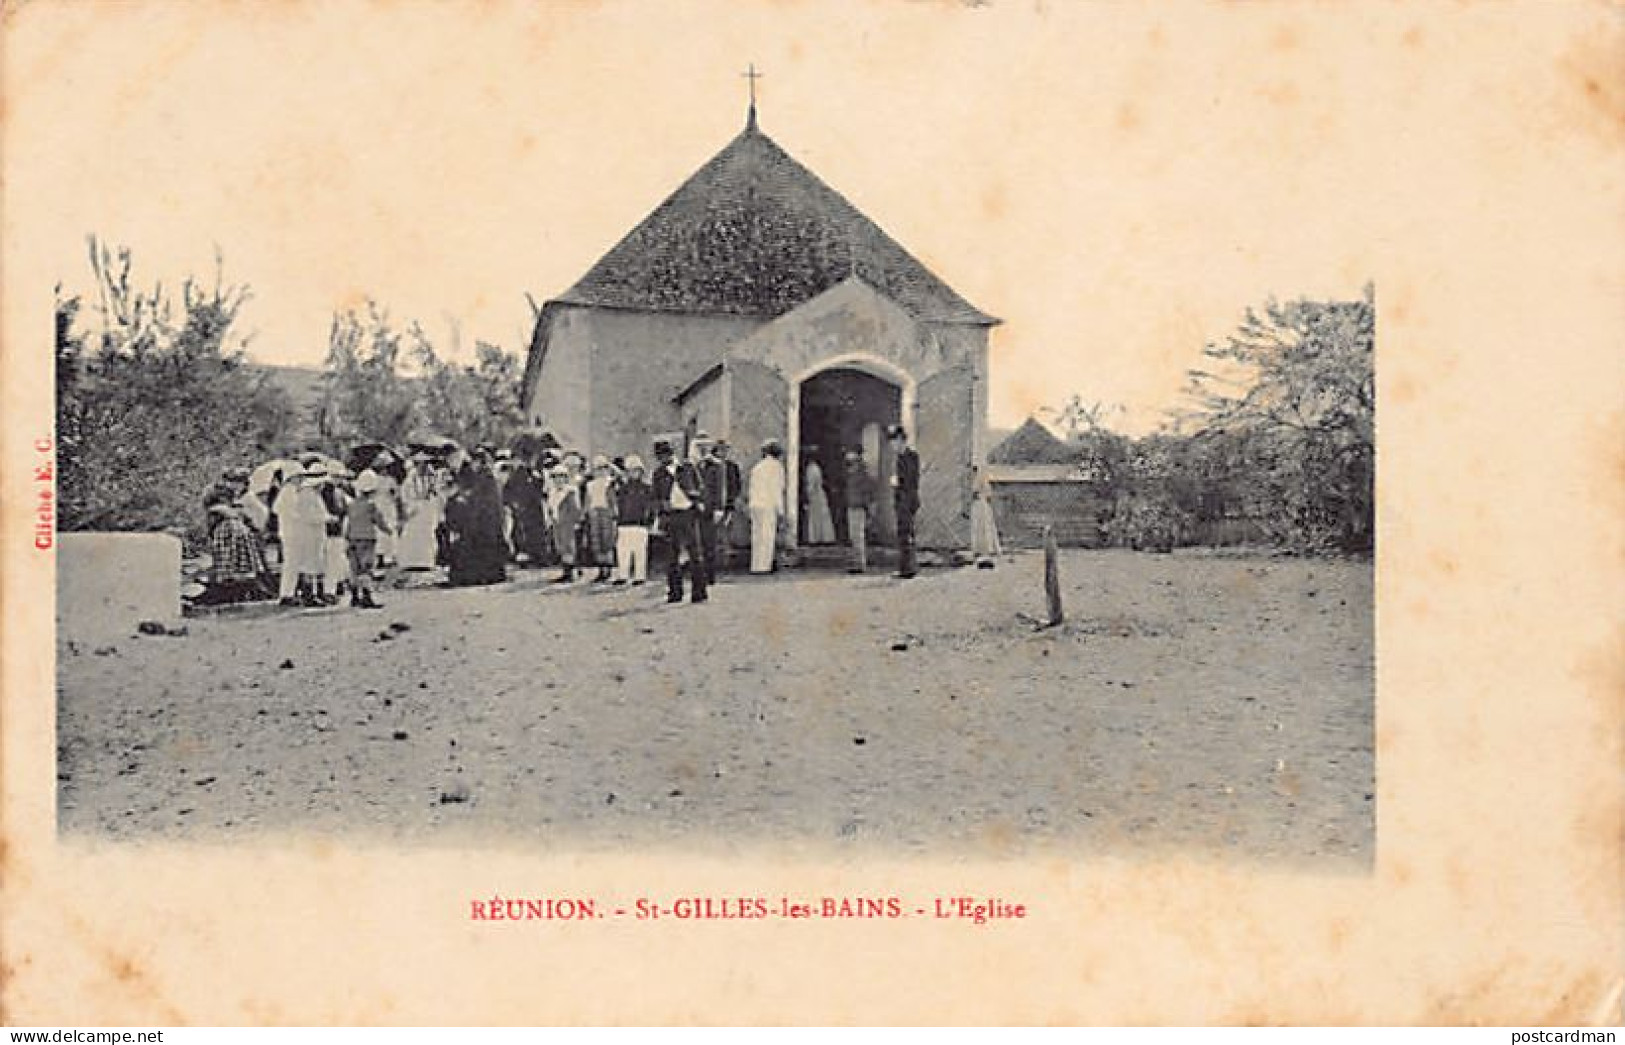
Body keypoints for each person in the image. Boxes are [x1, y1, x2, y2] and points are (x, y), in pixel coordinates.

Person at [651, 439, 707, 604]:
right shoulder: (658, 473)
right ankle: (675, 592)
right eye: (660, 456)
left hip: (688, 513)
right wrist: (662, 506)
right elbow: (655, 496)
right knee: (671, 555)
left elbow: (700, 486)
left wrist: (695, 498)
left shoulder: (687, 467)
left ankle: (699, 592)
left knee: (695, 553)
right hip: (670, 515)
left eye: (666, 455)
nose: (663, 458)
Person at [274, 460, 333, 606]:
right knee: (296, 564)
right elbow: (297, 514)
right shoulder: (289, 491)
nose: (301, 479)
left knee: (297, 564)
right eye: (298, 476)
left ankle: (292, 593)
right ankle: (290, 595)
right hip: (293, 533)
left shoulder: (294, 491)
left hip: (294, 532)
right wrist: (324, 518)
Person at [443, 459, 508, 587]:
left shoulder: (486, 478)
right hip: (474, 519)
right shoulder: (468, 474)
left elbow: (485, 498)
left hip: (483, 519)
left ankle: (485, 575)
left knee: (482, 547)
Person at [204, 499, 270, 604]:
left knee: (230, 564)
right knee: (243, 567)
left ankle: (229, 589)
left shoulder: (220, 523)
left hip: (230, 540)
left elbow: (224, 553)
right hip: (241, 538)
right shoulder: (234, 518)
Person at [345, 471, 395, 608]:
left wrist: (347, 537)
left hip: (353, 538)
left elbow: (348, 522)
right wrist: (388, 530)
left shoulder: (351, 504)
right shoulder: (371, 505)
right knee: (366, 568)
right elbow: (379, 521)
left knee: (354, 568)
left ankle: (354, 596)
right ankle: (367, 597)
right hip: (367, 538)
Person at [704, 439, 745, 574]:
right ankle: (712, 564)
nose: (723, 452)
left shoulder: (732, 467)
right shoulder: (709, 467)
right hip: (712, 506)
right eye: (720, 450)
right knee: (712, 535)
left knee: (727, 533)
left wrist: (733, 499)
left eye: (726, 450)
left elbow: (736, 484)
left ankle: (725, 563)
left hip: (728, 504)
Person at [614, 455, 656, 586]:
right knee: (623, 550)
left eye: (636, 470)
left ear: (641, 472)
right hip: (624, 523)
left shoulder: (647, 488)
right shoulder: (622, 489)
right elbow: (619, 505)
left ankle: (639, 575)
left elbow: (651, 506)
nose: (633, 473)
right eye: (630, 471)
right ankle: (623, 574)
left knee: (640, 551)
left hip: (640, 524)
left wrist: (650, 520)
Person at [398, 454, 444, 572]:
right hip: (414, 509)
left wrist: (432, 492)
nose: (423, 467)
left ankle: (426, 561)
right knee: (412, 534)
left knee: (427, 534)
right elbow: (405, 495)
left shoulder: (431, 478)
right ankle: (410, 562)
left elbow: (437, 494)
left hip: (427, 509)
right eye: (421, 464)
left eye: (425, 464)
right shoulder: (409, 480)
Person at [747, 439, 786, 574]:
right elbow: (777, 489)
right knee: (767, 536)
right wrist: (780, 510)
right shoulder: (777, 467)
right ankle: (764, 566)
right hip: (768, 504)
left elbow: (752, 488)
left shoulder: (757, 467)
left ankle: (755, 565)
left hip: (755, 504)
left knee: (756, 535)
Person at [503, 455, 550, 566]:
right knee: (522, 532)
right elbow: (508, 492)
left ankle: (536, 555)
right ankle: (529, 555)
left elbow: (538, 490)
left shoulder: (530, 475)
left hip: (531, 508)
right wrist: (512, 503)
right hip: (523, 508)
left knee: (532, 532)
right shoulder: (514, 477)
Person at [888, 424, 920, 578]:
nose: (892, 445)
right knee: (903, 534)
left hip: (907, 500)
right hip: (901, 500)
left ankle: (908, 568)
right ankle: (905, 567)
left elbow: (911, 480)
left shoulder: (911, 456)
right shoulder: (900, 458)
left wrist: (897, 482)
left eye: (894, 441)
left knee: (907, 534)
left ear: (901, 440)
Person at [583, 456, 619, 583]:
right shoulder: (590, 484)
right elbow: (587, 500)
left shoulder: (611, 482)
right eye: (598, 468)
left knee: (607, 540)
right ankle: (600, 568)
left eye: (604, 468)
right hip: (594, 511)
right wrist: (586, 513)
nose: (601, 471)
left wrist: (614, 513)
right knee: (596, 540)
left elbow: (613, 499)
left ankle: (608, 569)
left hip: (606, 511)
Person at [545, 465, 583, 582]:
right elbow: (550, 507)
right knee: (560, 545)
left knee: (568, 546)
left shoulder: (570, 491)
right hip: (557, 522)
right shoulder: (552, 492)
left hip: (567, 522)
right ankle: (565, 570)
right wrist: (550, 519)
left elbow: (575, 508)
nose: (558, 479)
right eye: (555, 477)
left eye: (561, 476)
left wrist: (576, 521)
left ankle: (570, 573)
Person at [842, 448, 875, 574]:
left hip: (859, 508)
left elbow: (868, 494)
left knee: (858, 537)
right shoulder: (852, 475)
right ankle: (856, 562)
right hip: (852, 507)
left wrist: (869, 510)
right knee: (854, 536)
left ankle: (860, 563)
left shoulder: (862, 476)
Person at [801, 447, 836, 545]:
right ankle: (823, 537)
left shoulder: (811, 469)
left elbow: (811, 485)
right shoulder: (816, 468)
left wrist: (807, 497)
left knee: (815, 517)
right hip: (818, 494)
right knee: (821, 517)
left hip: (815, 495)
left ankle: (816, 538)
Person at [969, 465, 1002, 568]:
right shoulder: (972, 480)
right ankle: (978, 548)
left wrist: (980, 495)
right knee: (977, 527)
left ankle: (987, 548)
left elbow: (987, 494)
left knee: (985, 525)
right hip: (976, 505)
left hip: (982, 505)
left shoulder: (982, 480)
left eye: (975, 470)